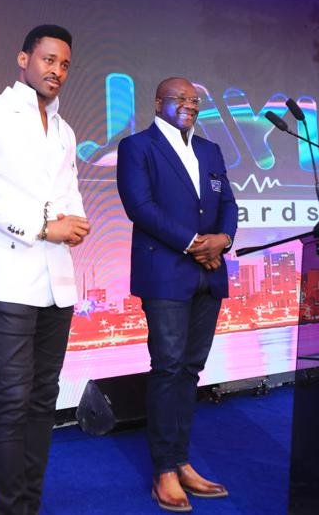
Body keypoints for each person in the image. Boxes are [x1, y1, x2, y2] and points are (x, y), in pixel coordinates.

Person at [0, 24, 91, 514]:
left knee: (43, 398)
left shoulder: (64, 130)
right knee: (12, 398)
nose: (57, 71)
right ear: (24, 59)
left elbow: (68, 190)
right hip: (7, 276)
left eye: (65, 64)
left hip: (56, 280)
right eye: (49, 60)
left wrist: (76, 222)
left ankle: (29, 504)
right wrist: (41, 227)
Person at [116, 77, 238, 513]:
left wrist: (222, 239)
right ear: (158, 103)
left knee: (190, 370)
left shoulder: (210, 150)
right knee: (168, 368)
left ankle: (182, 462)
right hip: (165, 274)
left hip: (210, 274)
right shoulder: (137, 147)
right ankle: (164, 470)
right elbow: (140, 207)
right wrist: (193, 243)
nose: (189, 104)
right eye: (179, 98)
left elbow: (228, 204)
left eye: (194, 99)